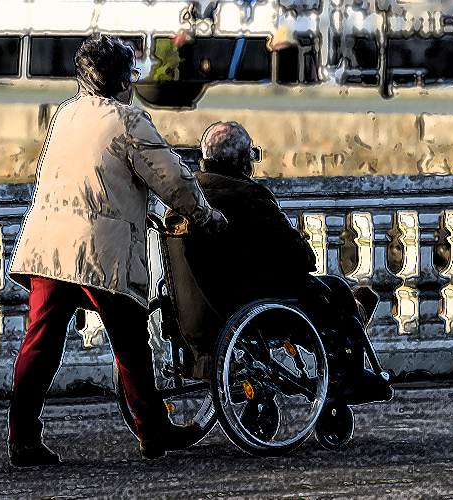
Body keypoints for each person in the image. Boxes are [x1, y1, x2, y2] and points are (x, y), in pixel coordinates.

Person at [7, 35, 226, 467]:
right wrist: (205, 217)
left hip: (50, 243)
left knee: (40, 344)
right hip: (100, 249)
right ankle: (152, 432)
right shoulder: (128, 120)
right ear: (124, 79)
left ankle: (22, 439)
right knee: (130, 346)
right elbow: (174, 180)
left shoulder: (66, 114)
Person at [166, 121, 391, 403]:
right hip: (250, 309)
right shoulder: (248, 196)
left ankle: (353, 316)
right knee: (337, 290)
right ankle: (347, 376)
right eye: (252, 155)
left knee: (331, 293)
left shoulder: (184, 200)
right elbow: (302, 258)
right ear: (244, 160)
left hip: (202, 310)